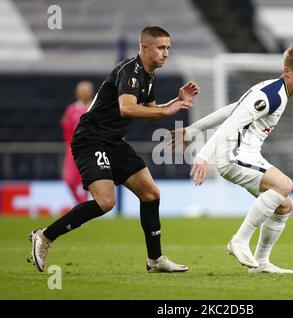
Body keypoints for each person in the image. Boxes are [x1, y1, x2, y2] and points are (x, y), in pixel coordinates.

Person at [28, 26, 199, 273]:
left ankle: (155, 260)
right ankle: (45, 236)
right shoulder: (130, 71)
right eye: (161, 48)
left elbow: (150, 114)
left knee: (150, 193)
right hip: (91, 138)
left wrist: (176, 102)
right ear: (144, 47)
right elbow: (127, 109)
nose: (166, 54)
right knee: (106, 202)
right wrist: (166, 110)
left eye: (168, 48)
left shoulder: (149, 76)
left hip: (113, 141)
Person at [173, 47, 293, 273]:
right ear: (287, 72)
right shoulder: (270, 95)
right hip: (234, 155)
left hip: (247, 154)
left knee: (283, 206)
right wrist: (202, 155)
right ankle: (239, 241)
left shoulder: (275, 90)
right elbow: (232, 124)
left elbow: (231, 110)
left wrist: (193, 130)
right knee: (284, 185)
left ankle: (261, 263)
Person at [60, 81, 95, 204]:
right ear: (77, 93)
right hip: (73, 150)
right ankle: (79, 202)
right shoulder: (71, 110)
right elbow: (66, 129)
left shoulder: (95, 108)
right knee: (69, 179)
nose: (84, 92)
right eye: (82, 90)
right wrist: (68, 146)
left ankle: (84, 204)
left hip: (91, 150)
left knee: (88, 179)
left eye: (87, 90)